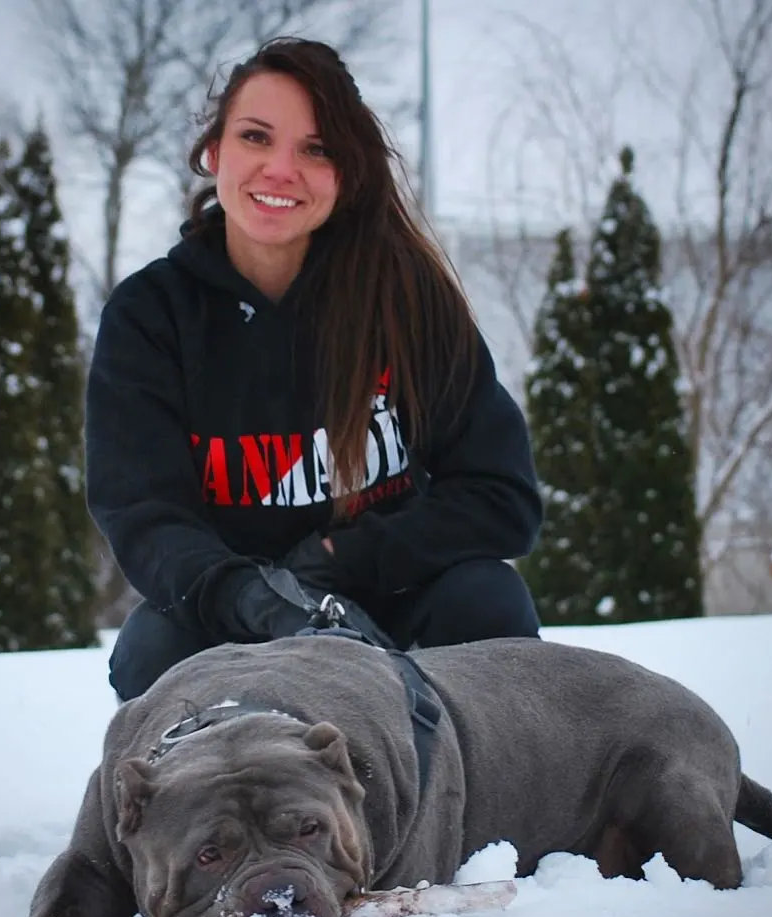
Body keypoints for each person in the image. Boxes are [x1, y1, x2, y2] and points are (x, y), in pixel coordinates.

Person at [86, 37, 544, 702]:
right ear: (214, 152)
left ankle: (478, 798)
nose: (281, 168)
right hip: (236, 614)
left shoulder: (403, 299)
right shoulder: (150, 316)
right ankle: (229, 803)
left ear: (346, 172)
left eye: (316, 148)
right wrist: (256, 597)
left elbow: (502, 498)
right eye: (255, 137)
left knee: (487, 600)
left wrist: (341, 560)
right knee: (151, 654)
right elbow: (144, 517)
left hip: (393, 599)